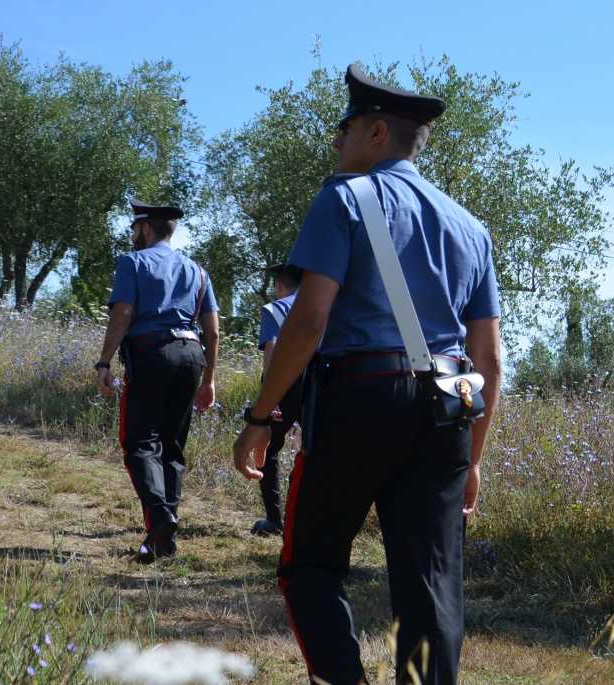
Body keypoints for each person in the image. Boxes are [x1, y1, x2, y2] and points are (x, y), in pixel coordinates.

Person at [231, 64, 502, 685]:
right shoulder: (471, 228)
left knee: (310, 564)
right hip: (449, 405)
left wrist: (261, 416)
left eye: (345, 128)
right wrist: (474, 459)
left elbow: (307, 322)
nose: (336, 141)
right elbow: (488, 361)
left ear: (376, 133)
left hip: (361, 396)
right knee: (432, 583)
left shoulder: (344, 197)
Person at [95, 199, 219, 564]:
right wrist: (209, 380)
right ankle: (161, 541)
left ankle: (161, 515)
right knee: (172, 446)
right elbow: (213, 331)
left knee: (139, 443)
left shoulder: (132, 262)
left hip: (152, 353)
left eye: (135, 229)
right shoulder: (198, 271)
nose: (134, 235)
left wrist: (104, 362)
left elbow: (123, 312)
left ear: (146, 228)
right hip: (191, 356)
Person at [250, 263, 304, 537]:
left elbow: (271, 350)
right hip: (319, 383)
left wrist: (269, 398)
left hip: (285, 384)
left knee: (267, 447)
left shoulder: (275, 309)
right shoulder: (319, 307)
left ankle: (274, 519)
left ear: (280, 285)